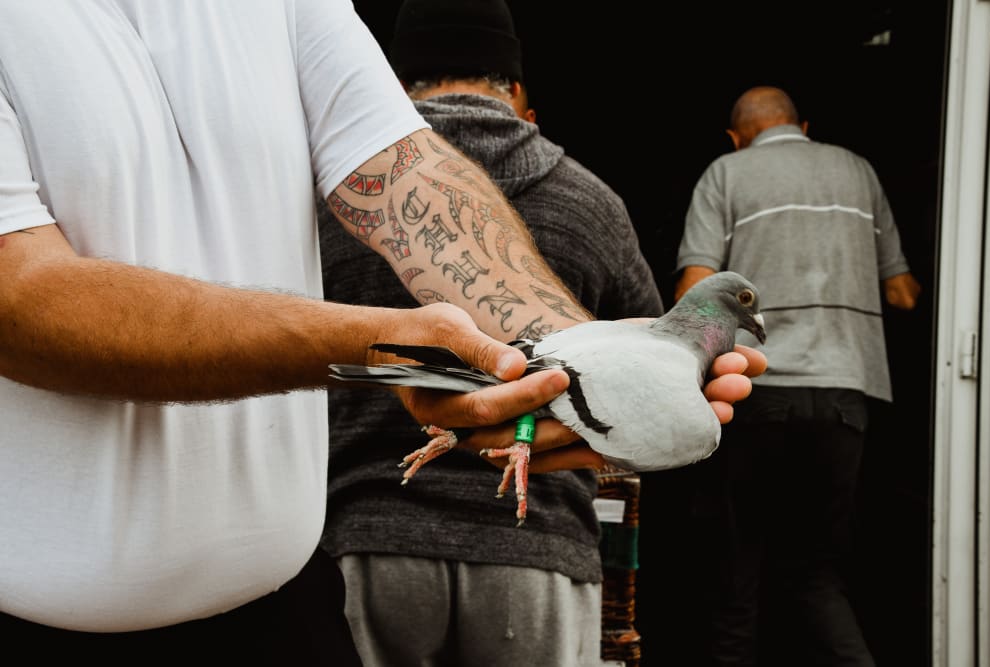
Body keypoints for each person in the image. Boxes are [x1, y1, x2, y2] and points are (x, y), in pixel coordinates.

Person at [0, 2, 761, 664]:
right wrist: (377, 347)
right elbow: (20, 298)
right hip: (37, 633)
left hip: (288, 614)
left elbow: (400, 172)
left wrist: (577, 359)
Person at [319, 1, 666, 665]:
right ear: (514, 89)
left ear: (396, 85)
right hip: (536, 548)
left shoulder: (337, 197)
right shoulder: (592, 202)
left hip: (370, 541)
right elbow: (641, 381)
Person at [674, 85, 922, 666]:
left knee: (736, 574)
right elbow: (902, 293)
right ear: (803, 126)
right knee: (816, 574)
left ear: (737, 136)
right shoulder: (858, 171)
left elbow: (692, 290)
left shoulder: (726, 172)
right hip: (845, 397)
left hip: (756, 395)